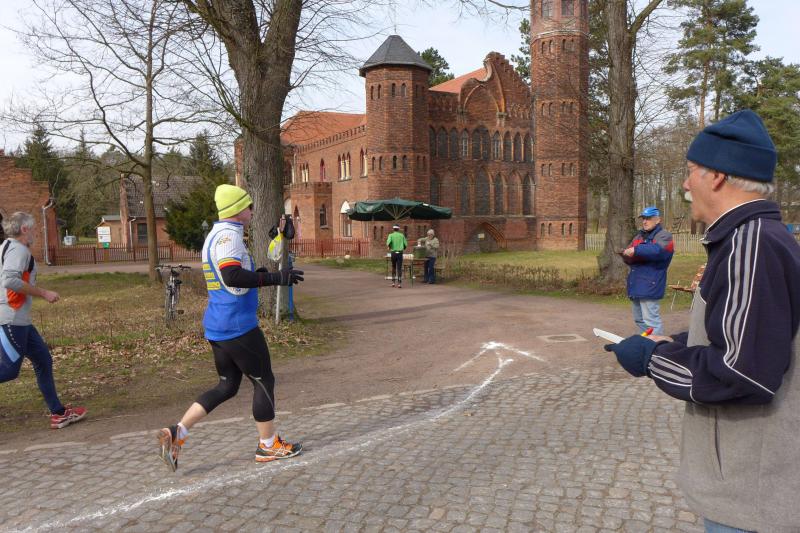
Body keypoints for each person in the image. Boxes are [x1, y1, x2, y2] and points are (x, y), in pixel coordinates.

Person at [604, 110, 800, 533]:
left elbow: (742, 374)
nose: (685, 184)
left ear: (717, 176)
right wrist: (674, 342)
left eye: (691, 170)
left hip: (751, 497)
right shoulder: (752, 239)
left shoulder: (751, 245)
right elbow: (746, 333)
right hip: (748, 490)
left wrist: (652, 359)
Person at [157, 184, 304, 471]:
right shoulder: (229, 237)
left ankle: (177, 432)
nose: (252, 211)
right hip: (238, 325)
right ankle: (268, 445)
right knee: (263, 381)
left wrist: (258, 273)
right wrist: (276, 278)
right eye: (249, 206)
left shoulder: (217, 234)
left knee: (227, 386)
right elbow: (232, 275)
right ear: (238, 210)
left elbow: (232, 277)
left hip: (218, 324)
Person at [0, 211, 87, 429]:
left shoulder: (5, 247)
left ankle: (58, 413)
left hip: (20, 320)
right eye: (34, 229)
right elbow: (9, 280)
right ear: (24, 229)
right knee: (9, 370)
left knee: (43, 360)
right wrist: (44, 293)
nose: (36, 233)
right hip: (11, 319)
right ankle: (58, 412)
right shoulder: (19, 250)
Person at [621, 206, 674, 335]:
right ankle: (646, 343)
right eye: (644, 218)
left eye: (649, 218)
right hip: (636, 284)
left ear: (658, 220)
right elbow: (630, 254)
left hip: (651, 284)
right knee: (639, 320)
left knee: (651, 321)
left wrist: (636, 250)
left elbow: (657, 251)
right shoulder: (638, 237)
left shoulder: (664, 236)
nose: (645, 221)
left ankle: (657, 345)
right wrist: (626, 255)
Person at [386, 224, 407, 288]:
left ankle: (393, 282)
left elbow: (388, 243)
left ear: (393, 229)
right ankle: (399, 283)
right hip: (400, 253)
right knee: (399, 268)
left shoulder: (391, 235)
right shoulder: (402, 235)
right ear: (398, 229)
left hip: (393, 253)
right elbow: (405, 244)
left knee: (393, 267)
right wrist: (403, 248)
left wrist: (389, 247)